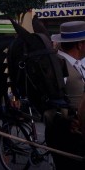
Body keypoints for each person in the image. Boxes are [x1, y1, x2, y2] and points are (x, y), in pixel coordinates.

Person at [45, 20, 85, 170]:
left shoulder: (78, 63)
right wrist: (66, 121)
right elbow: (49, 102)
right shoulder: (59, 66)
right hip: (68, 136)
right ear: (80, 45)